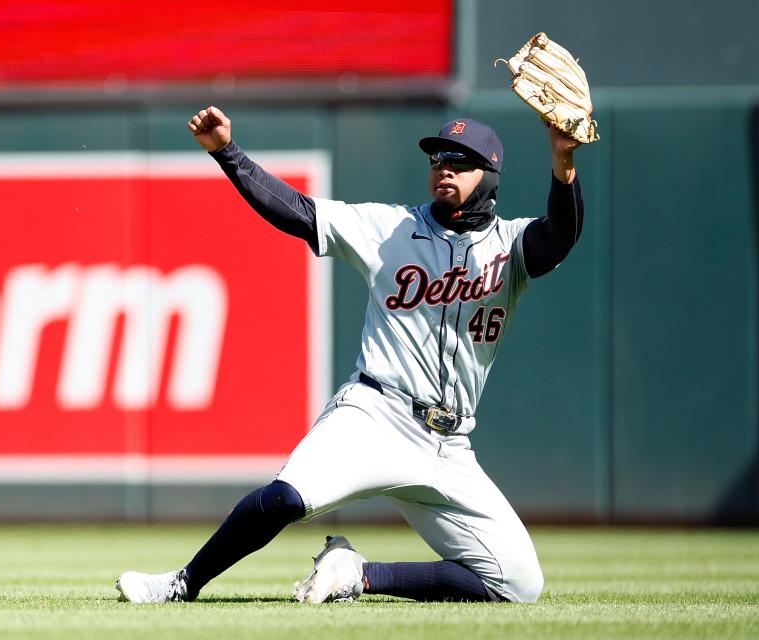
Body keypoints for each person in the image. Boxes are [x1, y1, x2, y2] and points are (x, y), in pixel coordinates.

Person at [116, 106, 584, 604]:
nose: (444, 166)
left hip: (451, 445)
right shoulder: (389, 227)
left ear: (489, 175)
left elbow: (560, 235)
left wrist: (563, 161)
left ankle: (357, 574)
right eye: (438, 157)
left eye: (461, 160)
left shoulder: (510, 245)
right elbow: (296, 210)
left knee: (519, 585)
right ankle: (181, 583)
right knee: (286, 498)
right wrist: (227, 153)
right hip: (378, 414)